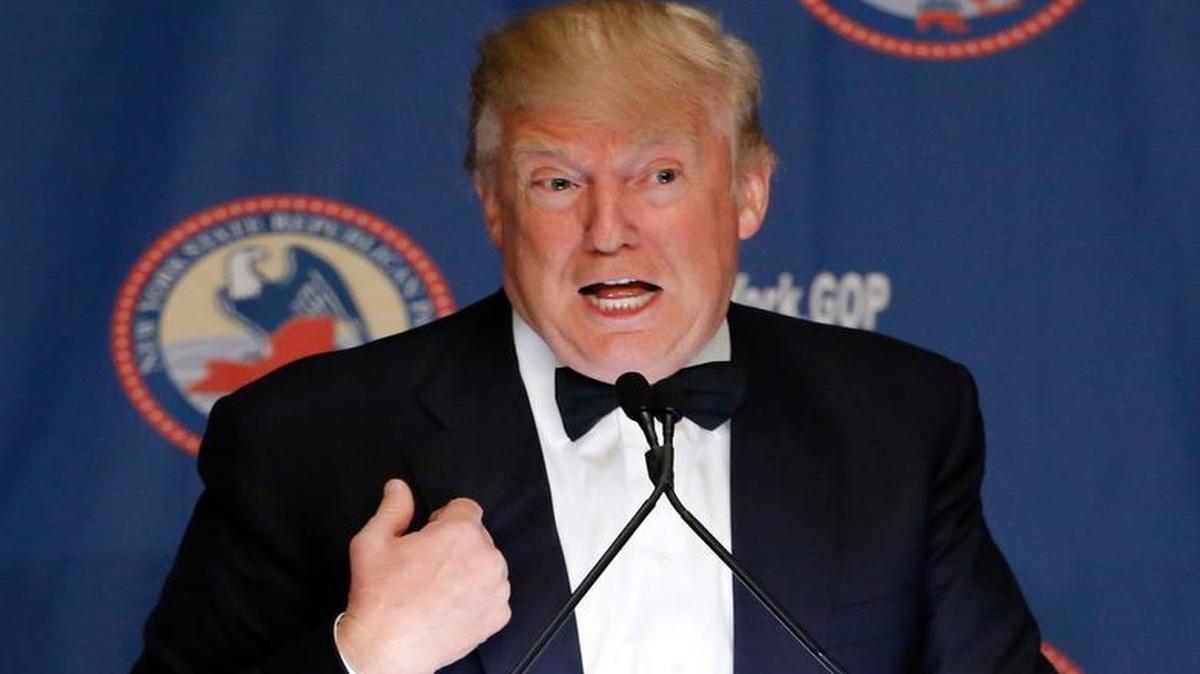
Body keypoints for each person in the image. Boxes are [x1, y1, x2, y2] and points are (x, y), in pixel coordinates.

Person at [133, 2, 1055, 673]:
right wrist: (362, 656)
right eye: (557, 183)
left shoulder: (898, 418)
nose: (609, 230)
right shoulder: (309, 437)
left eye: (660, 176)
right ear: (494, 205)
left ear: (748, 193)